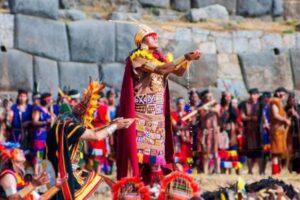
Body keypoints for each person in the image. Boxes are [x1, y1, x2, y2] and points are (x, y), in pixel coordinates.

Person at [117, 24, 201, 185]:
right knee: (140, 159)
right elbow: (161, 70)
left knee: (157, 161)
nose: (156, 37)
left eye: (156, 35)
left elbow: (178, 71)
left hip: (157, 118)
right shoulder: (138, 58)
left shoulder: (160, 58)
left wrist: (187, 60)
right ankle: (136, 190)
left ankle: (153, 191)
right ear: (142, 40)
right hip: (141, 117)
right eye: (151, 35)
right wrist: (184, 57)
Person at [45, 80, 134, 199]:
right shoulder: (69, 126)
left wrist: (111, 124)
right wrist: (115, 126)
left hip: (69, 173)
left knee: (100, 179)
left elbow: (92, 132)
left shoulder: (63, 125)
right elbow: (95, 136)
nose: (78, 104)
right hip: (65, 176)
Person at [0, 143, 67, 200]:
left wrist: (56, 187)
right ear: (9, 157)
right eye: (17, 151)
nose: (21, 151)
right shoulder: (8, 176)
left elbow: (41, 199)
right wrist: (33, 185)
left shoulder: (20, 176)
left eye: (20, 149)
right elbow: (12, 198)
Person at [32, 93, 56, 175]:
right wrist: (46, 122)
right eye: (50, 100)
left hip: (46, 134)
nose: (52, 101)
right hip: (39, 134)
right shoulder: (38, 109)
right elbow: (34, 122)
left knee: (43, 153)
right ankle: (36, 172)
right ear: (46, 100)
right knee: (38, 153)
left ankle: (40, 170)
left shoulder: (48, 111)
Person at [240, 88, 262, 174]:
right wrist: (251, 118)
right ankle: (250, 170)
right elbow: (242, 116)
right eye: (251, 94)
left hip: (258, 131)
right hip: (248, 131)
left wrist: (250, 118)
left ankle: (261, 170)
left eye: (254, 94)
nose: (252, 96)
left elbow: (261, 117)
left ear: (257, 95)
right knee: (249, 151)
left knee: (258, 151)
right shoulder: (244, 105)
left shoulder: (261, 105)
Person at [268, 87, 290, 175]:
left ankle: (278, 170)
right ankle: (275, 171)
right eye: (283, 94)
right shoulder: (274, 102)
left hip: (280, 131)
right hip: (276, 130)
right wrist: (285, 120)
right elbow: (275, 115)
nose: (284, 96)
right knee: (275, 152)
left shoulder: (279, 103)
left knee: (279, 152)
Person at [199, 90, 220, 174]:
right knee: (206, 151)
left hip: (214, 131)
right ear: (205, 98)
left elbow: (217, 111)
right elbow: (201, 116)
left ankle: (217, 170)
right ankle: (206, 170)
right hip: (206, 131)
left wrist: (209, 108)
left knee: (215, 151)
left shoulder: (216, 105)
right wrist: (202, 109)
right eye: (208, 97)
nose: (210, 98)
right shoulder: (202, 107)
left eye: (211, 96)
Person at [171, 97, 192, 172]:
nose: (180, 106)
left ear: (184, 105)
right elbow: (175, 126)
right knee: (178, 154)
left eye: (182, 104)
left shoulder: (188, 114)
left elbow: (190, 126)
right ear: (177, 105)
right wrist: (182, 128)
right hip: (177, 138)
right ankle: (177, 169)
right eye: (179, 104)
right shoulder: (173, 114)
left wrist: (186, 128)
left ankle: (189, 169)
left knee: (188, 154)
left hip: (187, 138)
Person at [284, 92, 300, 173]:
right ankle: (289, 168)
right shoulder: (286, 108)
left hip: (298, 132)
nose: (292, 101)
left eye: (293, 99)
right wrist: (288, 114)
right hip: (289, 133)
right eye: (290, 100)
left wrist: (296, 115)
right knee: (290, 151)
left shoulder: (298, 107)